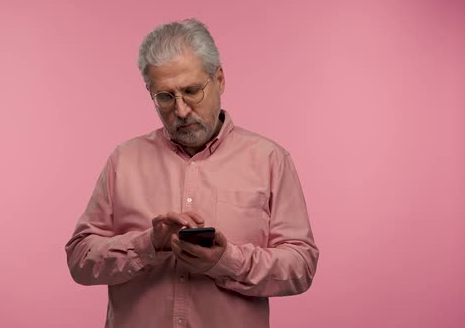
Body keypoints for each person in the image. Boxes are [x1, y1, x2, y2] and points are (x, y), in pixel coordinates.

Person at [65, 18, 319, 328]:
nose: (181, 110)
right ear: (150, 92)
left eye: (191, 91)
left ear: (220, 79)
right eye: (166, 97)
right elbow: (79, 259)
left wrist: (227, 262)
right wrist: (148, 245)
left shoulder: (270, 160)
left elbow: (301, 266)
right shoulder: (124, 160)